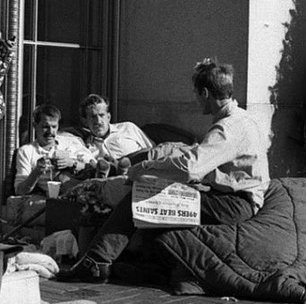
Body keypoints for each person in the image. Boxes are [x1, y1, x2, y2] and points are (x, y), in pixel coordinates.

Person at [57, 59, 270, 283]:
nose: (196, 100)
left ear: (205, 93)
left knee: (142, 198)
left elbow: (189, 167)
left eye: (196, 94)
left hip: (233, 204)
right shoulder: (242, 118)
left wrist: (145, 169)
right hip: (230, 197)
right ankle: (140, 266)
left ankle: (96, 262)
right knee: (158, 205)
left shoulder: (227, 127)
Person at [13, 104, 96, 195]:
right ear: (35, 126)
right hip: (57, 197)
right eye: (45, 127)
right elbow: (20, 191)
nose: (50, 132)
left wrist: (72, 163)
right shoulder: (26, 151)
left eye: (54, 127)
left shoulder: (70, 141)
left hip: (82, 187)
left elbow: (93, 166)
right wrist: (36, 172)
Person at [71, 94, 155, 174]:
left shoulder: (127, 128)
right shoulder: (86, 146)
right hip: (114, 178)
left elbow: (152, 149)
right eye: (93, 117)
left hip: (140, 169)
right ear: (85, 121)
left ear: (108, 117)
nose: (98, 121)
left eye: (101, 115)